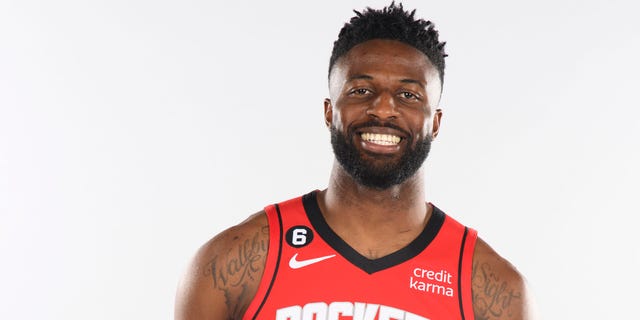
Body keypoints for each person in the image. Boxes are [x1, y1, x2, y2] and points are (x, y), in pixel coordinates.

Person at [175, 3, 535, 319]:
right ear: (330, 111)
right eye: (361, 90)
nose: (382, 109)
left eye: (408, 95)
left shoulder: (491, 291)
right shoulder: (233, 264)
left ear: (435, 122)